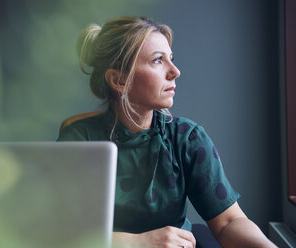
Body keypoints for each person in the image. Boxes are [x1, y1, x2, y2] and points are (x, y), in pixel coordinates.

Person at [57, 16, 276, 248]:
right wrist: (137, 242)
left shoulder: (188, 138)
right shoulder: (80, 140)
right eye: (158, 60)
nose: (175, 71)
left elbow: (228, 222)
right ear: (119, 80)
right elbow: (58, 231)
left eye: (171, 59)